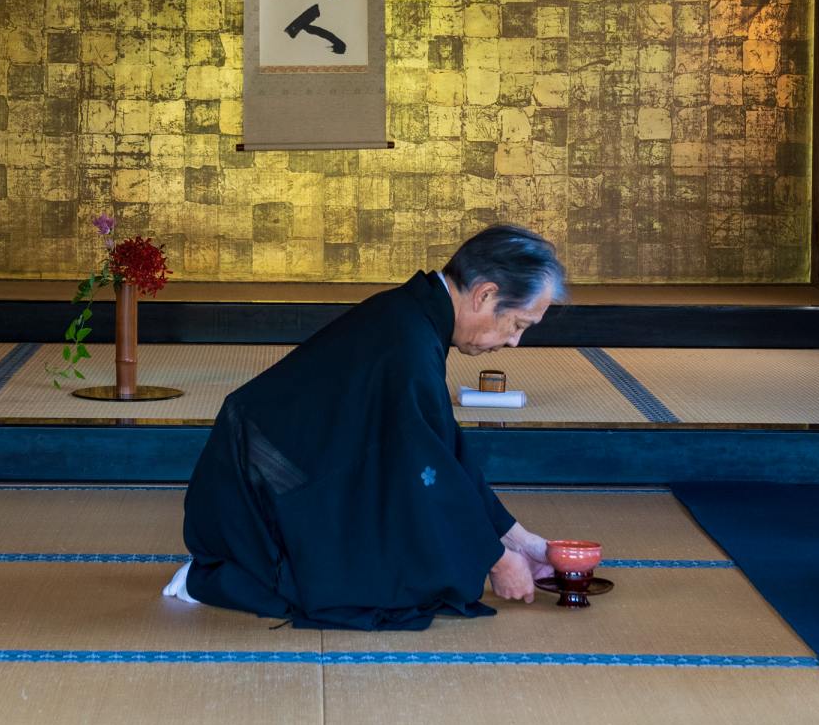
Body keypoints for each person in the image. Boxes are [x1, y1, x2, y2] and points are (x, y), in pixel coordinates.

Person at [166, 224, 566, 630]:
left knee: (404, 550)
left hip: (282, 459)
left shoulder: (415, 316)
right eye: (518, 325)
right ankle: (211, 580)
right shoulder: (408, 341)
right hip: (259, 482)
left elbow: (443, 451)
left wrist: (518, 540)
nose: (515, 342)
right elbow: (426, 469)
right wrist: (494, 561)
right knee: (371, 587)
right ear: (485, 295)